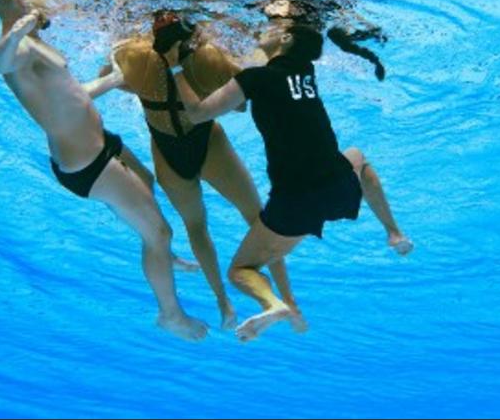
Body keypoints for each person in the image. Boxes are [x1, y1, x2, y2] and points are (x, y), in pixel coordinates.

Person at [164, 20, 412, 341]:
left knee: (240, 271)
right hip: (337, 187)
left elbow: (198, 113)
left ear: (285, 37)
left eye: (273, 25)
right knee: (357, 158)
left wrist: (175, 68)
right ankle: (394, 233)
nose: (263, 28)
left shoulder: (256, 79)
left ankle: (273, 304)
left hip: (294, 204)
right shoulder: (306, 74)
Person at [0, 0, 207, 341]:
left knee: (146, 179)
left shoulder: (33, 43)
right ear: (14, 8)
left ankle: (163, 256)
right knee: (159, 233)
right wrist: (16, 32)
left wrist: (113, 79)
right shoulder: (18, 48)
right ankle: (170, 315)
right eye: (25, 1)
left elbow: (72, 94)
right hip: (87, 164)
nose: (34, 3)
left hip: (100, 143)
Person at [109, 10, 303, 330]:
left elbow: (111, 77)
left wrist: (148, 91)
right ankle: (287, 299)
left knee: (196, 227)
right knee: (257, 217)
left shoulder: (134, 55)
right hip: (208, 142)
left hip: (167, 151)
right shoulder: (207, 57)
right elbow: (240, 104)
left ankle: (223, 303)